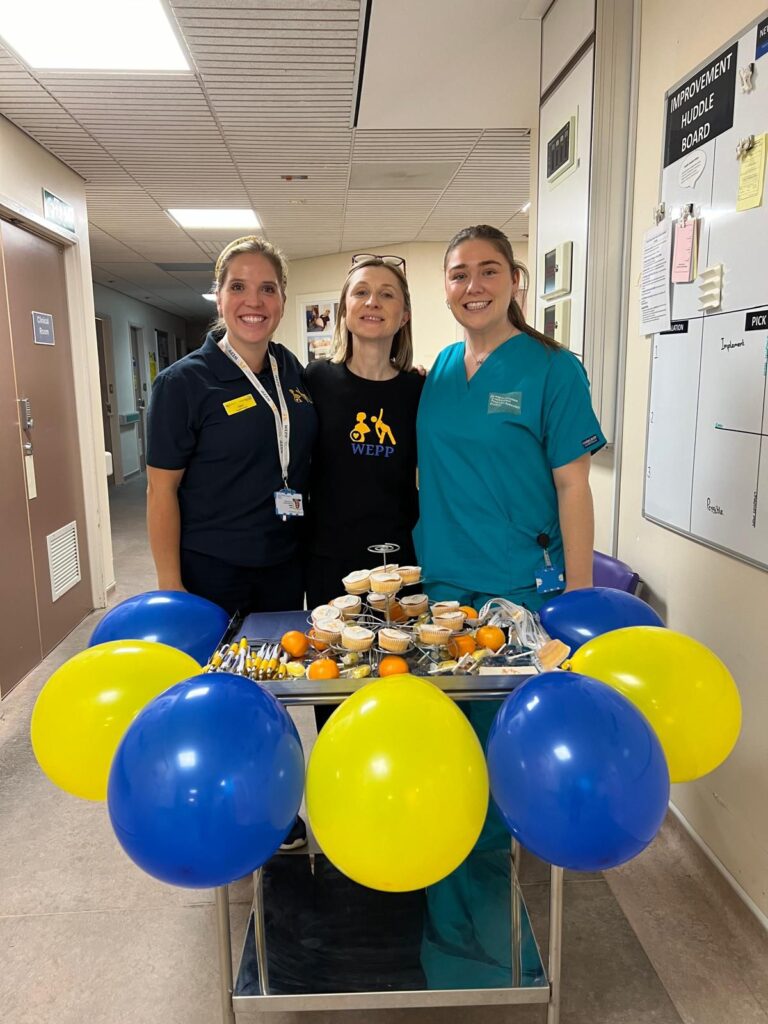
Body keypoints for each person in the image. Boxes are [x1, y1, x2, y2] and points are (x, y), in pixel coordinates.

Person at [415, 223, 606, 986]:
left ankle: (486, 945)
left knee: (495, 768)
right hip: (442, 594)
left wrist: (580, 600)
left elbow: (573, 488)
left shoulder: (554, 369)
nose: (473, 286)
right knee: (448, 758)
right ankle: (446, 907)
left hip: (516, 597)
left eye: (489, 270)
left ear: (516, 280)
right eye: (459, 273)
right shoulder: (440, 370)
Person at [303, 254, 423, 612]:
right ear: (344, 310)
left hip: (398, 561)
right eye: (361, 292)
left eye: (387, 294)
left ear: (404, 315)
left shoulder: (418, 390)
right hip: (328, 557)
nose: (372, 302)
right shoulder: (314, 380)